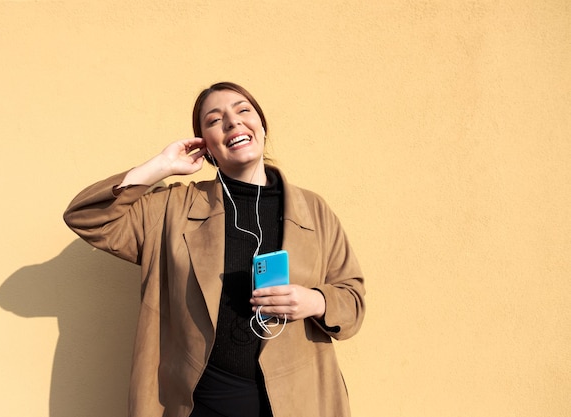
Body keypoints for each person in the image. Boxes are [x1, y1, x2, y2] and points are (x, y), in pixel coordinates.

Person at [64, 82, 366, 417]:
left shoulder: (313, 210)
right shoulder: (173, 208)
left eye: (242, 110)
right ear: (205, 146)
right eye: (214, 120)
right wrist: (162, 166)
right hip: (201, 404)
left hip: (300, 401)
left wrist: (315, 301)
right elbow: (88, 218)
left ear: (261, 126)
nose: (232, 122)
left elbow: (353, 301)